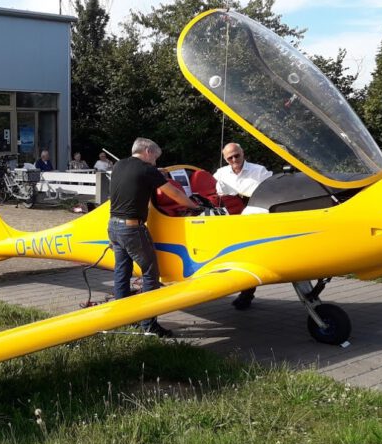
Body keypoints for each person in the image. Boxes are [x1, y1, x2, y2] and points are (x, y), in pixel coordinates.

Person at [108, 137, 198, 338]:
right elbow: (173, 193)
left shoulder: (119, 165)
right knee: (150, 273)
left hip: (113, 226)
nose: (156, 163)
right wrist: (194, 206)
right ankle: (149, 324)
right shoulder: (148, 170)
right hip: (132, 229)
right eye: (155, 158)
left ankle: (124, 318)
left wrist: (160, 173)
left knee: (122, 272)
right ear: (147, 151)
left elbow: (136, 180)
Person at [214, 142, 272, 310]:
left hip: (255, 219)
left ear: (242, 153)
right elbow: (215, 194)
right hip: (231, 220)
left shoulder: (259, 171)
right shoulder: (220, 173)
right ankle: (241, 290)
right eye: (229, 157)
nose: (234, 160)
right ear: (225, 158)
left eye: (236, 155)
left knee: (249, 257)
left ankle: (247, 293)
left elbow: (272, 191)